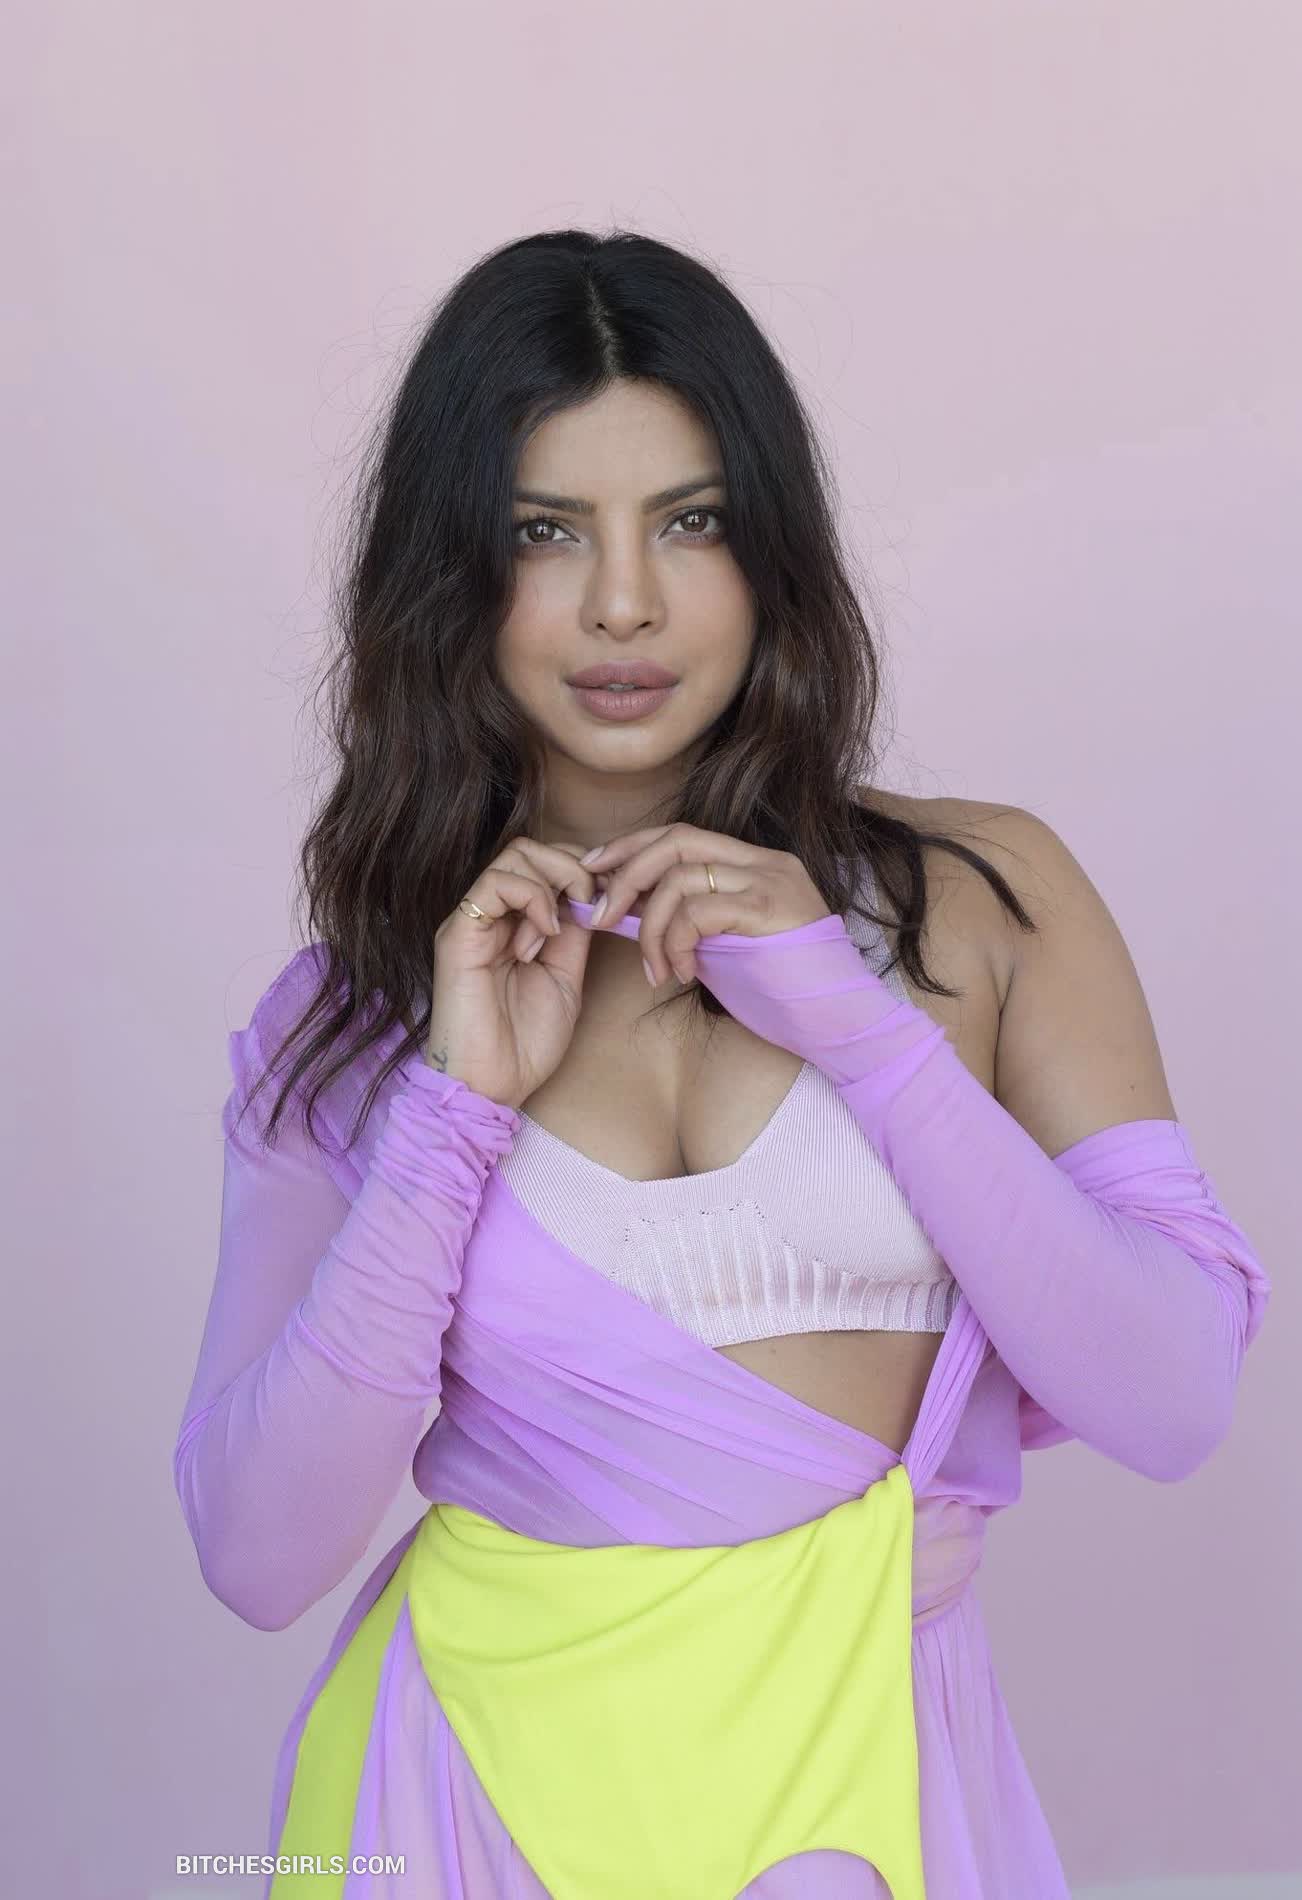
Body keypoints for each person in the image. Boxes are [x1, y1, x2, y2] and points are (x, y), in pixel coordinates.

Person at [173, 229, 1271, 1899]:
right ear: (448, 574)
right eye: (543, 532)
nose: (622, 601)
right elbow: (260, 1555)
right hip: (466, 1798)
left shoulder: (978, 900)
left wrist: (862, 1031)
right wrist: (449, 1117)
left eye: (688, 521)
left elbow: (1174, 1397)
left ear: (770, 552)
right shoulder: (358, 1014)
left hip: (863, 1787)